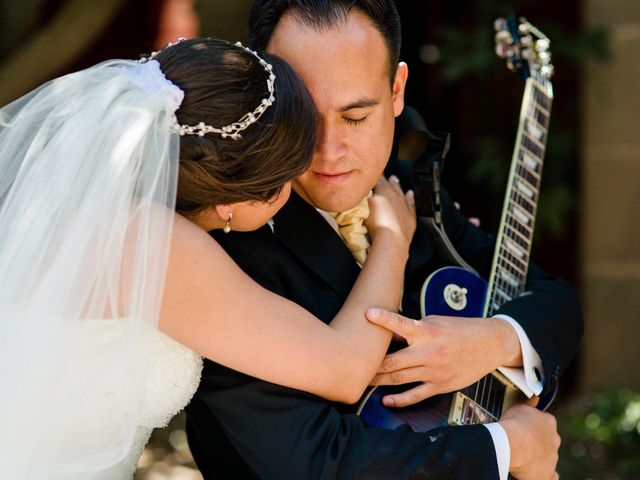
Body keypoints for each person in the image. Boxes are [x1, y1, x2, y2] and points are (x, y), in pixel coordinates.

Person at [185, 2, 583, 480]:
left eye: (355, 116)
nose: (329, 151)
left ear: (396, 91)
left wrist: (495, 341)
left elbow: (553, 299)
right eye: (304, 116)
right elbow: (314, 463)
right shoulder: (225, 242)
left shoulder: (401, 182)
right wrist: (506, 447)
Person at [0, 37, 417, 479]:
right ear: (227, 206)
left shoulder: (99, 200)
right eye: (285, 177)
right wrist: (393, 238)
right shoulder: (155, 242)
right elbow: (345, 368)